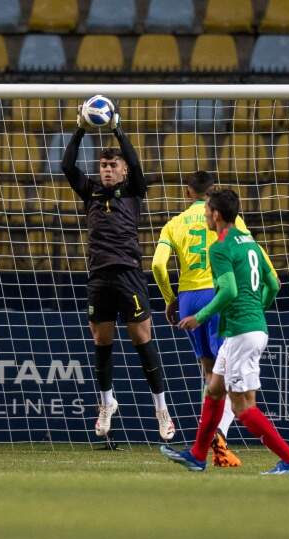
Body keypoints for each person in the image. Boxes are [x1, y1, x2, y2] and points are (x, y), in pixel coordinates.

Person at [159, 188, 289, 474]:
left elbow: (228, 290)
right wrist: (256, 310)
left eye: (206, 212)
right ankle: (197, 455)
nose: (204, 216)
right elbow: (273, 285)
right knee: (214, 390)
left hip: (240, 332)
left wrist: (198, 317)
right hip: (248, 327)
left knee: (243, 407)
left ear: (216, 214)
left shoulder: (220, 247)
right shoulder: (249, 242)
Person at [61, 100, 174, 441]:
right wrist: (81, 127)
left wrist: (116, 129)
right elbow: (67, 165)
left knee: (142, 339)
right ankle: (107, 404)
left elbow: (137, 161)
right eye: (103, 165)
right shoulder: (90, 191)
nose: (107, 169)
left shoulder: (134, 190)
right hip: (99, 275)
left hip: (128, 273)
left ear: (123, 170)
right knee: (101, 340)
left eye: (113, 165)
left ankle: (161, 409)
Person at [152, 170, 269, 467]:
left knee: (210, 373)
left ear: (187, 192)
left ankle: (206, 444)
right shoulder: (230, 220)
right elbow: (262, 263)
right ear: (212, 191)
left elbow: (157, 266)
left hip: (190, 297)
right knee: (226, 372)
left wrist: (170, 299)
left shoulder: (173, 224)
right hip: (218, 295)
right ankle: (219, 433)